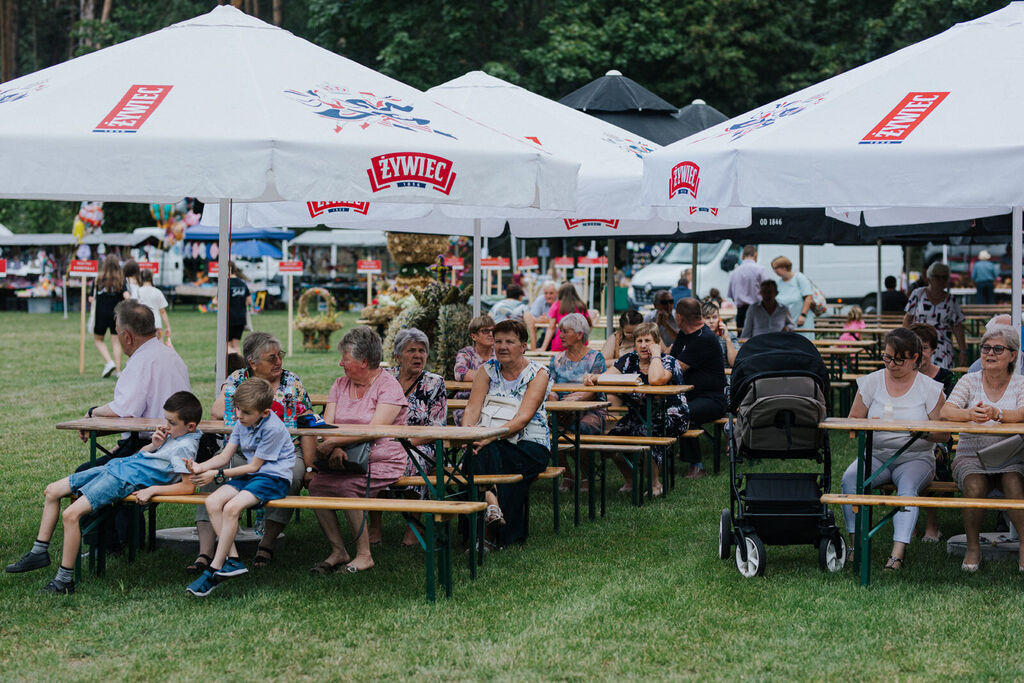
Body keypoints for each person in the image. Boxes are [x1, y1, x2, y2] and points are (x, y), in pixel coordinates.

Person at [6, 391, 203, 595]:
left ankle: (63, 581)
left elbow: (187, 487)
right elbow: (145, 459)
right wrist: (154, 445)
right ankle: (38, 552)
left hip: (122, 479)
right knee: (52, 491)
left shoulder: (185, 446)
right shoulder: (177, 436)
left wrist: (152, 489)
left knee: (71, 515)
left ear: (190, 426)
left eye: (171, 422)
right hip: (117, 467)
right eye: (166, 420)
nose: (166, 426)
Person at [198, 332, 315, 572]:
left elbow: (308, 422)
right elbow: (218, 410)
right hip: (241, 449)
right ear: (252, 362)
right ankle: (206, 551)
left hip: (285, 452)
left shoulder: (291, 382)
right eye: (271, 358)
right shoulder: (238, 378)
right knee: (211, 482)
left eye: (279, 356)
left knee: (292, 477)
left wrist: (311, 466)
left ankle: (267, 543)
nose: (279, 362)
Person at [840, 328, 946, 571]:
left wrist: (922, 432)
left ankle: (897, 554)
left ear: (915, 359)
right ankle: (856, 546)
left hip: (916, 457)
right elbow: (853, 420)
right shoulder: (871, 382)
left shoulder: (929, 388)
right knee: (850, 479)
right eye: (887, 358)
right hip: (876, 455)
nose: (892, 364)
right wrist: (865, 425)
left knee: (907, 488)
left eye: (899, 359)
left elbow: (944, 433)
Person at [309, 326, 409, 573]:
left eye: (345, 358)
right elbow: (328, 427)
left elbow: (376, 430)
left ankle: (364, 555)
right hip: (342, 454)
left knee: (347, 487)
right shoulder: (340, 384)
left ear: (364, 362)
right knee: (316, 487)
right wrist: (333, 449)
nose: (340, 363)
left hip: (383, 456)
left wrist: (337, 444)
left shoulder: (388, 386)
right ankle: (339, 551)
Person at [185, 379, 296, 597]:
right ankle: (234, 560)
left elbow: (255, 465)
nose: (238, 415)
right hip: (252, 475)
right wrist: (200, 466)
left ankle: (214, 568)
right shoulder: (242, 422)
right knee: (212, 502)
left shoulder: (273, 427)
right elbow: (225, 456)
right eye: (238, 409)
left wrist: (216, 474)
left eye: (245, 412)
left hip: (274, 478)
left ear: (264, 413)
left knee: (231, 508)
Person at [940, 325, 1024, 572]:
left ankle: (1023, 547)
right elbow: (946, 410)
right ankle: (973, 548)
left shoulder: (1020, 383)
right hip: (971, 456)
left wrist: (999, 413)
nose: (990, 353)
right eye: (986, 348)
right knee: (974, 485)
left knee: (1014, 483)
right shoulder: (969, 379)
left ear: (1012, 355)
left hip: (1010, 456)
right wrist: (968, 414)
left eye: (998, 349)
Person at [462, 319, 552, 548]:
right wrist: (467, 434)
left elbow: (523, 418)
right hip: (488, 440)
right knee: (481, 451)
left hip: (530, 443)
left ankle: (486, 529)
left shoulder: (538, 373)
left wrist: (490, 436)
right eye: (498, 341)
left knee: (484, 454)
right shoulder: (486, 370)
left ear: (523, 345)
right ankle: (492, 510)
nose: (502, 346)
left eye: (509, 341)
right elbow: (472, 408)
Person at [584, 321, 689, 497]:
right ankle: (631, 479)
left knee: (647, 435)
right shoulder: (628, 360)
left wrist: (656, 355)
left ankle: (655, 485)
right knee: (611, 443)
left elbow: (655, 380)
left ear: (656, 342)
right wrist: (592, 378)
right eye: (639, 341)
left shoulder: (668, 362)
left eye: (647, 340)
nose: (643, 345)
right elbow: (606, 378)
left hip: (671, 415)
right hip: (639, 415)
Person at [384, 328, 447, 546]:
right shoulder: (385, 379)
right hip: (384, 441)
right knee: (370, 463)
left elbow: (437, 427)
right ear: (397, 356)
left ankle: (413, 527)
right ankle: (373, 526)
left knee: (411, 462)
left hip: (421, 445)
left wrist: (408, 443)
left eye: (422, 350)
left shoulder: (434, 383)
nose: (418, 355)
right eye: (411, 350)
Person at [547, 313, 607, 492]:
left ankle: (587, 475)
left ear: (580, 334)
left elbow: (595, 390)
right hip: (562, 409)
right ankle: (567, 475)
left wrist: (576, 400)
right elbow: (551, 387)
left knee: (582, 429)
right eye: (560, 331)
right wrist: (555, 401)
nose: (561, 336)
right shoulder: (557, 359)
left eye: (565, 331)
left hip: (591, 410)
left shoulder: (595, 358)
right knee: (542, 430)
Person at [908, 322, 956, 544]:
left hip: (939, 440)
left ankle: (931, 524)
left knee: (932, 454)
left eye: (924, 347)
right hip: (905, 438)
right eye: (914, 347)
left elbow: (951, 419)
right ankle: (909, 521)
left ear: (933, 349)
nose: (920, 353)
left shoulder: (946, 378)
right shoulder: (900, 378)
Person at [669, 299, 726, 479]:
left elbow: (674, 367)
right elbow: (670, 359)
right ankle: (659, 459)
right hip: (689, 396)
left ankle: (697, 466)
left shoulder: (704, 338)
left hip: (713, 399)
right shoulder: (684, 335)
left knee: (682, 412)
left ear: (679, 317)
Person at [903, 261, 967, 369]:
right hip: (919, 345)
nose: (941, 280)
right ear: (929, 278)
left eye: (944, 277)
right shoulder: (917, 294)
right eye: (938, 277)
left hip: (943, 348)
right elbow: (908, 319)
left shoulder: (951, 300)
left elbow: (957, 326)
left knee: (942, 380)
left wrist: (963, 351)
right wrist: (904, 342)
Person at [92, 255, 127, 377]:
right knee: (116, 342)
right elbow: (126, 296)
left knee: (98, 339)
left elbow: (92, 298)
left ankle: (109, 361)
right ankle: (118, 371)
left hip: (100, 314)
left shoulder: (98, 279)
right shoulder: (121, 280)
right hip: (116, 315)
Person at [454, 314, 496, 405]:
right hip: (467, 401)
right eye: (485, 331)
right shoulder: (466, 353)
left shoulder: (500, 353)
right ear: (474, 336)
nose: (491, 334)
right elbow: (460, 373)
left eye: (493, 330)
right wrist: (494, 376)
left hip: (494, 403)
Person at [771, 255, 815, 339]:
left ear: (784, 267)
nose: (774, 271)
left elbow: (808, 297)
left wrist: (803, 315)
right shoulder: (779, 282)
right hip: (787, 324)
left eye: (775, 268)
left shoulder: (800, 278)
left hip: (801, 322)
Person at [543, 282, 591, 352]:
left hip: (561, 344)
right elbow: (587, 324)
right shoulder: (581, 306)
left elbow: (551, 328)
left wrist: (543, 347)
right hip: (579, 343)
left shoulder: (556, 305)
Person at [727, 245, 765, 329]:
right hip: (757, 309)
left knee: (742, 338)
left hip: (741, 311)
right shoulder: (760, 269)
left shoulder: (734, 272)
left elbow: (731, 296)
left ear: (742, 256)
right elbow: (767, 291)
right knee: (758, 338)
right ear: (756, 255)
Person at [136, 268, 172, 346]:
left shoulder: (138, 292)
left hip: (142, 325)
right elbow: (162, 311)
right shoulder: (157, 292)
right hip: (156, 325)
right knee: (158, 349)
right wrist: (167, 326)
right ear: (152, 278)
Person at [702, 300, 739, 367]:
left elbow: (734, 363)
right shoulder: (698, 337)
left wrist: (727, 339)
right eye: (707, 318)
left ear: (719, 319)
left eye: (714, 317)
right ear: (702, 320)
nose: (711, 321)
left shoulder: (730, 336)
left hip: (725, 375)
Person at [227, 261, 250, 355]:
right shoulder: (242, 283)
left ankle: (231, 366)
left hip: (229, 318)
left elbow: (217, 300)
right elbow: (249, 301)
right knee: (236, 345)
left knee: (226, 346)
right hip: (241, 318)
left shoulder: (226, 284)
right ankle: (239, 365)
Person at [528, 281, 559, 348]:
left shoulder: (560, 301)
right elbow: (530, 317)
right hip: (545, 335)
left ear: (556, 293)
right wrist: (538, 320)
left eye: (551, 293)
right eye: (546, 293)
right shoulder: (540, 300)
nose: (548, 296)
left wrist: (548, 320)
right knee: (537, 352)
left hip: (559, 336)